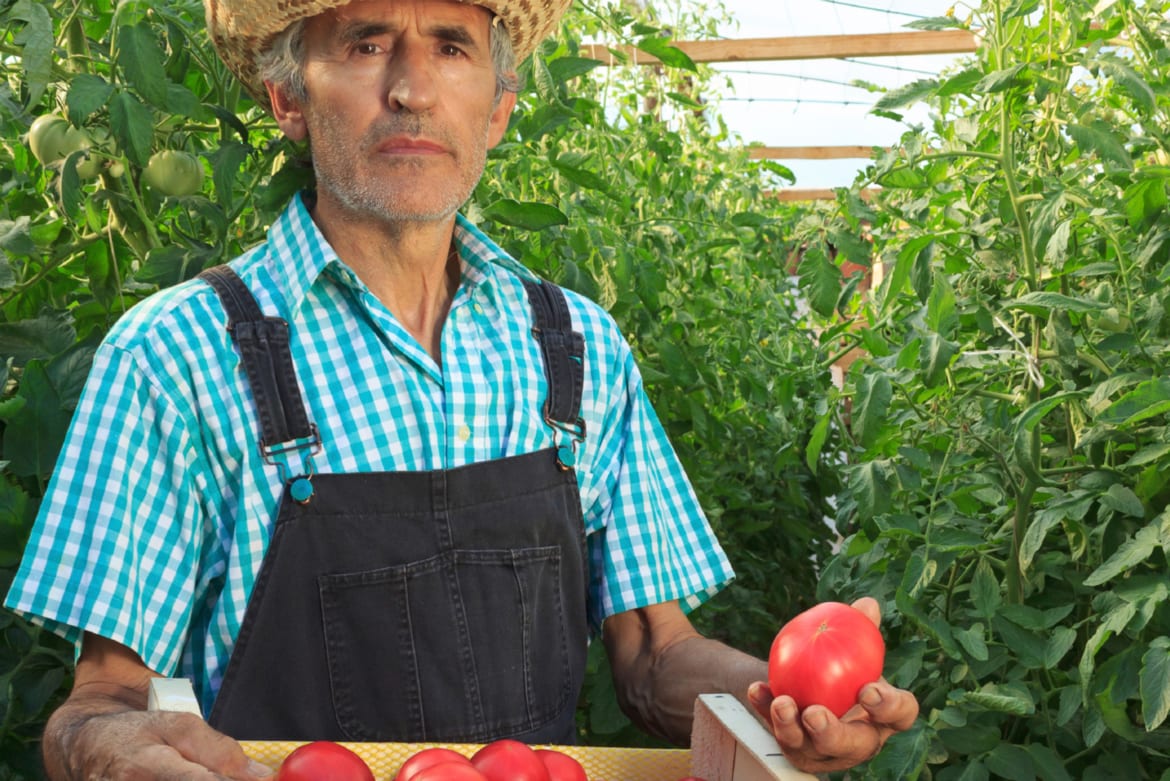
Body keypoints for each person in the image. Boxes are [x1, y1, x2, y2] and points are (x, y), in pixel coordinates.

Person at [5, 0, 919, 777]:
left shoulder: (576, 349)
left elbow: (656, 655)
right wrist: (116, 745)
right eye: (366, 43)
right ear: (288, 96)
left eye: (451, 44)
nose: (411, 88)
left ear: (498, 109)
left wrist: (776, 700)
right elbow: (102, 701)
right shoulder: (179, 356)